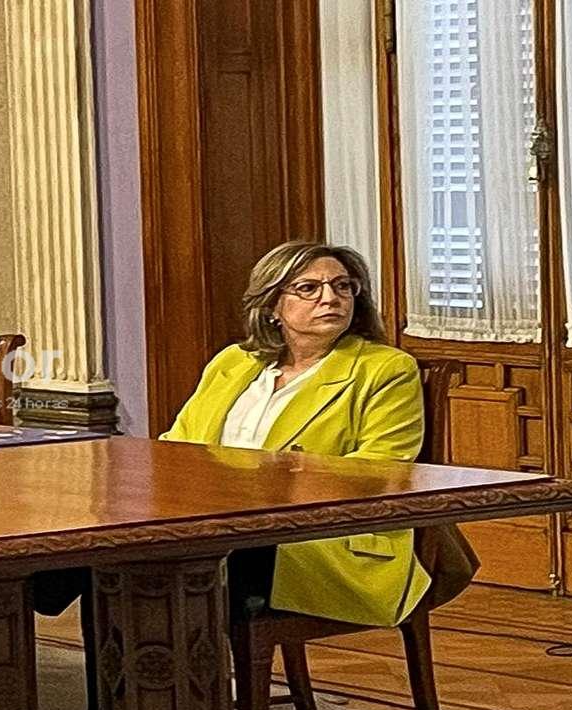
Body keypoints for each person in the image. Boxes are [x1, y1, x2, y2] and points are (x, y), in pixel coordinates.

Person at [160, 240, 437, 626]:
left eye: (342, 286)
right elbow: (176, 448)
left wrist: (267, 484)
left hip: (321, 538)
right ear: (272, 305)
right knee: (109, 556)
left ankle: (201, 664)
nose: (330, 298)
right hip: (215, 523)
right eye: (309, 288)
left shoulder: (386, 369)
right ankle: (131, 661)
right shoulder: (234, 361)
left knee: (216, 556)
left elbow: (380, 470)